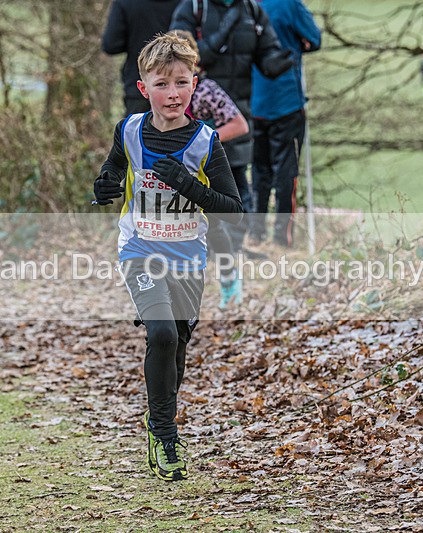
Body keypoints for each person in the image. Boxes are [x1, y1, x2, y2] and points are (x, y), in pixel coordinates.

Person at [93, 33, 242, 481]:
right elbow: (115, 168)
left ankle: (158, 415)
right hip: (139, 249)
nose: (172, 93)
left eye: (180, 83)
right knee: (160, 335)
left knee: (177, 345)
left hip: (188, 257)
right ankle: (164, 432)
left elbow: (233, 210)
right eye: (161, 84)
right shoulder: (130, 129)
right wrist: (105, 185)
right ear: (144, 89)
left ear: (194, 84)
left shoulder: (205, 141)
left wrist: (189, 185)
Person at [170, 0, 293, 257]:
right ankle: (202, 247)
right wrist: (224, 30)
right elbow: (180, 55)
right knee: (197, 186)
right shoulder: (193, 8)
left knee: (236, 185)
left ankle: (233, 248)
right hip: (198, 106)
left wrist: (280, 60)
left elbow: (266, 52)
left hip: (237, 110)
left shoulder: (252, 10)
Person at [170, 29, 248, 308]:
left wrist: (206, 138)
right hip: (171, 176)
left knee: (213, 229)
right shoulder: (163, 91)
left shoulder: (206, 90)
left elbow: (240, 124)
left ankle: (229, 281)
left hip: (204, 171)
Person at [249, 0, 321, 248]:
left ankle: (256, 232)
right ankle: (281, 238)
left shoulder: (245, 5)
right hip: (286, 99)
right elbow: (315, 38)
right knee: (286, 172)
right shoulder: (290, 4)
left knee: (259, 170)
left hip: (253, 100)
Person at [102, 0, 181, 116]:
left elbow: (111, 45)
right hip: (177, 86)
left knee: (137, 131)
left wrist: (136, 42)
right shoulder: (188, 3)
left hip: (139, 84)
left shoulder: (125, 3)